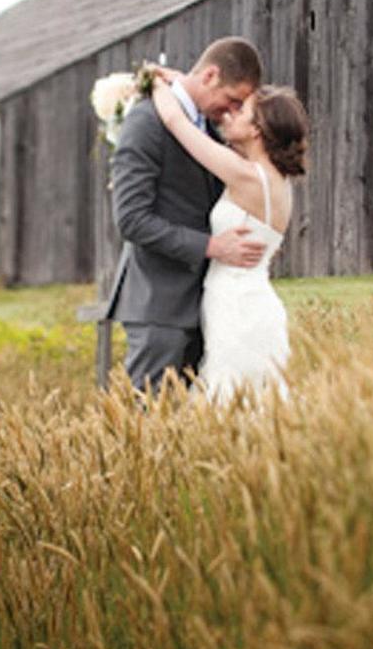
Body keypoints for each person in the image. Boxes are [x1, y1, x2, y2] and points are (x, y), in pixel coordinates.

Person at [105, 37, 266, 397]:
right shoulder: (146, 122)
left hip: (206, 306)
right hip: (159, 306)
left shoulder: (201, 123)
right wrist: (211, 246)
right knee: (149, 423)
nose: (232, 112)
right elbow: (131, 219)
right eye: (233, 100)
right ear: (210, 75)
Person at [147, 63, 308, 403]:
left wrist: (156, 87)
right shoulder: (275, 179)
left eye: (242, 111)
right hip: (252, 301)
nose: (229, 115)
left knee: (228, 397)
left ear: (257, 130)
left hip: (237, 308)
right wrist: (184, 81)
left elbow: (177, 123)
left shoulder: (246, 175)